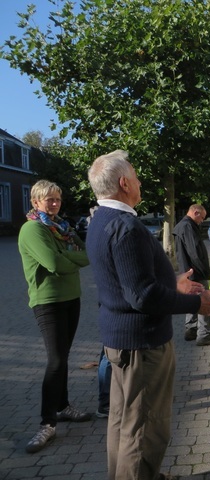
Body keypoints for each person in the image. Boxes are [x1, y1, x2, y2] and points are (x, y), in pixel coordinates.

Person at [85, 149, 210, 480]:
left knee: (124, 421)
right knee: (146, 427)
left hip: (122, 341)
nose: (139, 182)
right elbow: (142, 296)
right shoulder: (125, 225)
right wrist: (196, 305)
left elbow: (128, 282)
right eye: (134, 176)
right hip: (142, 345)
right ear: (123, 183)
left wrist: (172, 283)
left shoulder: (100, 220)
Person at [18, 180, 92, 454]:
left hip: (71, 297)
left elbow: (86, 255)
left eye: (57, 199)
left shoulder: (64, 228)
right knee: (56, 360)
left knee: (64, 356)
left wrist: (67, 257)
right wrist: (68, 257)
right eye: (48, 199)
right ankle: (47, 423)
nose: (53, 204)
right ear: (35, 202)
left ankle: (62, 407)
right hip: (48, 301)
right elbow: (53, 263)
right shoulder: (31, 229)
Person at [174, 204, 210, 346]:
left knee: (192, 301)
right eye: (202, 218)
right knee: (205, 302)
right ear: (195, 212)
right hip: (196, 272)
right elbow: (194, 252)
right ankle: (204, 335)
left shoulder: (182, 226)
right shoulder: (188, 227)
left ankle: (191, 329)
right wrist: (204, 271)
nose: (202, 221)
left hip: (187, 272)